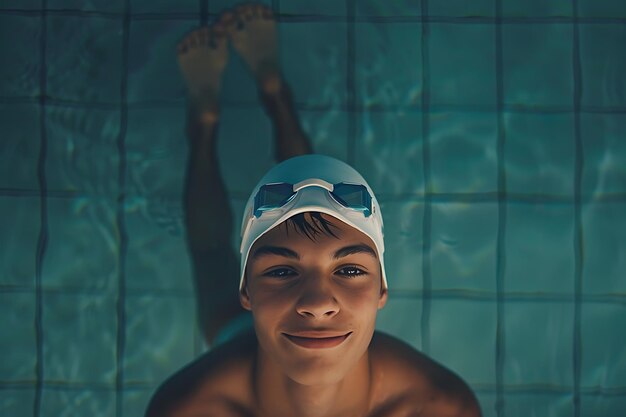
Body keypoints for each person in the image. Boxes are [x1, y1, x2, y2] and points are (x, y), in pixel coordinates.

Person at [146, 4, 481, 417]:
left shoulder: (437, 408)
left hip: (240, 341)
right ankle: (219, 117)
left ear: (381, 291)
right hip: (239, 339)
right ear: (246, 290)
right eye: (282, 270)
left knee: (218, 249)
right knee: (219, 249)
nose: (318, 303)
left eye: (350, 269)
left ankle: (244, 104)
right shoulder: (191, 408)